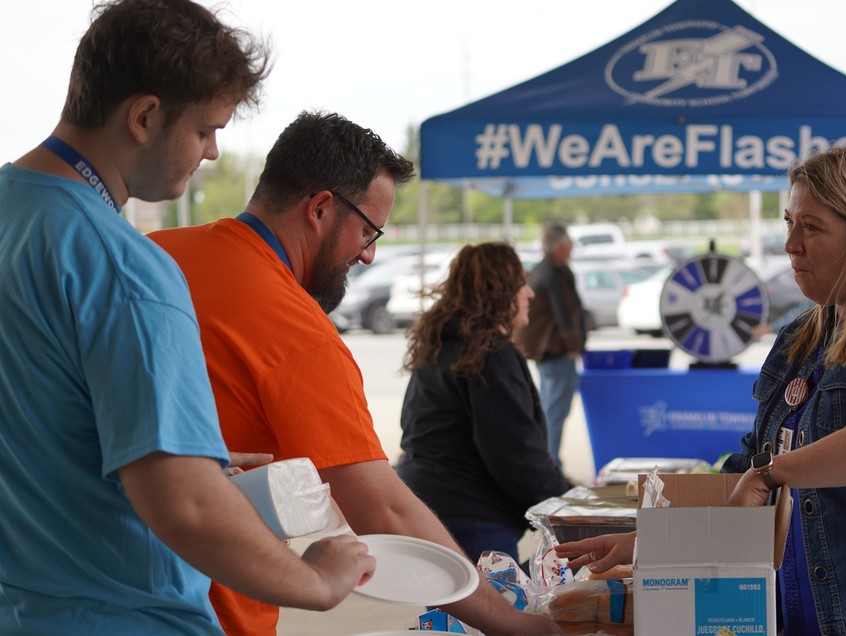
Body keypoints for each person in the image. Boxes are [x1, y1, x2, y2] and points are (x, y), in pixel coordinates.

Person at [0, 2, 377, 635]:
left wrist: (191, 453)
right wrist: (317, 580)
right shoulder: (125, 267)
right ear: (145, 117)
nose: (212, 152)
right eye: (205, 130)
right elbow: (187, 507)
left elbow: (40, 419)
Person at [556, 147, 846, 635]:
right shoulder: (802, 336)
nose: (790, 245)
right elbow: (747, 466)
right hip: (828, 614)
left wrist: (770, 474)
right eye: (789, 223)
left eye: (811, 227)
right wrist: (650, 540)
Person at [149, 111, 562, 636]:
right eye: (368, 231)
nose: (369, 256)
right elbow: (384, 511)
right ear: (320, 208)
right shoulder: (295, 329)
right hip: (205, 611)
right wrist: (515, 624)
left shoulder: (151, 255)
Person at [395, 242, 572, 563]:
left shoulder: (442, 345)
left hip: (429, 507)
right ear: (500, 292)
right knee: (487, 599)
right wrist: (570, 505)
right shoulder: (490, 354)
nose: (530, 294)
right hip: (472, 520)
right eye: (521, 284)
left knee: (449, 599)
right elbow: (517, 454)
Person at [514, 223, 588, 467]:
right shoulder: (554, 274)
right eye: (569, 243)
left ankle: (547, 463)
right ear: (559, 246)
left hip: (546, 352)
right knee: (555, 411)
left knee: (549, 408)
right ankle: (551, 465)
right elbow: (564, 313)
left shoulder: (542, 270)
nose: (572, 248)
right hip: (556, 351)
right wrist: (573, 345)